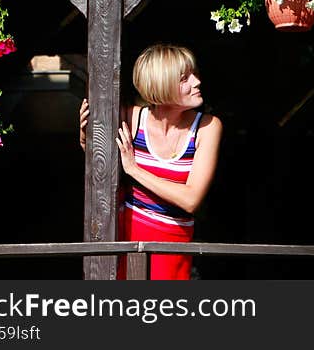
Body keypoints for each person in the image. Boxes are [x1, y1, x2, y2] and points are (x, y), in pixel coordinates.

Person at [79, 43, 223, 280]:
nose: (197, 82)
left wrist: (134, 170)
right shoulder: (130, 117)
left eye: (194, 74)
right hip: (125, 240)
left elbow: (190, 200)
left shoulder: (208, 127)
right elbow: (100, 167)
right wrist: (86, 138)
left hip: (173, 247)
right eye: (185, 78)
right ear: (161, 84)